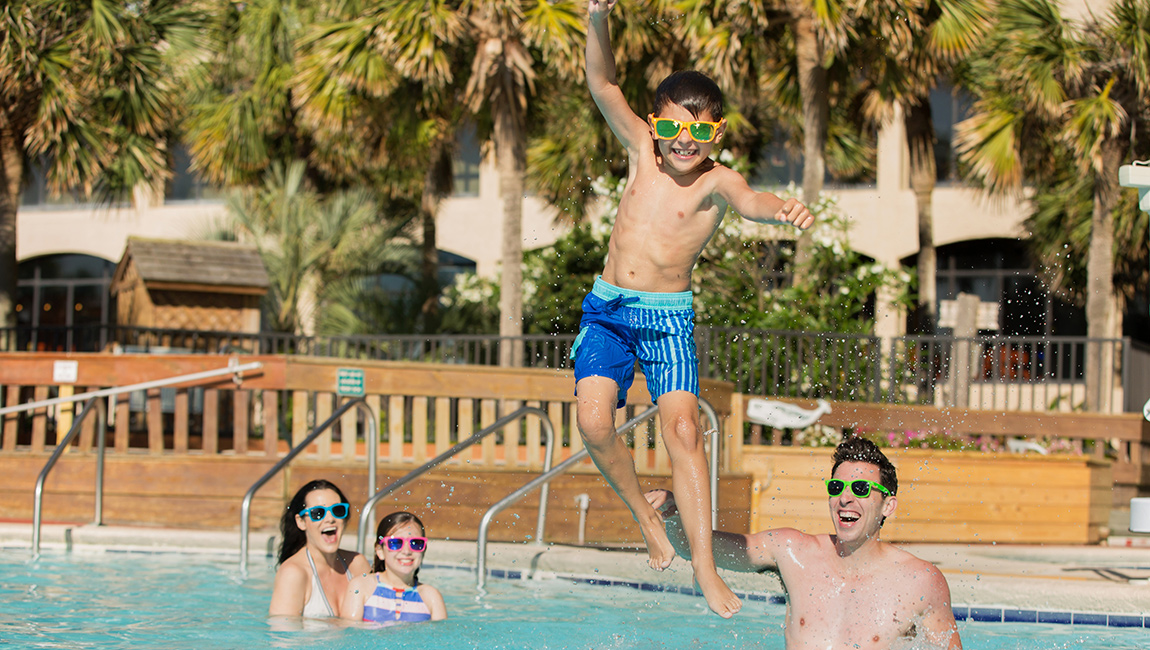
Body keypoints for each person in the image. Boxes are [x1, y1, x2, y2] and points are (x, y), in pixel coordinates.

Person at [576, 0, 814, 619]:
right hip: (606, 309)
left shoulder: (716, 182)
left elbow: (753, 198)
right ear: (655, 123)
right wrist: (598, 20)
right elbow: (602, 82)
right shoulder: (640, 151)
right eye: (676, 128)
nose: (685, 142)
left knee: (684, 429)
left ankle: (705, 567)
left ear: (717, 133)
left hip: (666, 317)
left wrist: (780, 209)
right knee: (595, 423)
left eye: (701, 132)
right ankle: (646, 520)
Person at [646, 437, 963, 649]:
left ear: (888, 506)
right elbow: (699, 549)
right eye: (838, 486)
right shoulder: (790, 551)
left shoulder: (920, 581)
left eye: (862, 489)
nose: (846, 498)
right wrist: (673, 513)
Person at [268, 480, 372, 618]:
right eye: (318, 513)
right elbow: (284, 637)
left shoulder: (357, 564)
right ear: (301, 522)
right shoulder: (293, 574)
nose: (330, 518)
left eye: (337, 510)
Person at [340, 511, 447, 625]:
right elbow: (349, 632)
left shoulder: (431, 597)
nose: (406, 551)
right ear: (380, 551)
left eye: (416, 543)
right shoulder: (361, 587)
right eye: (395, 543)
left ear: (423, 549)